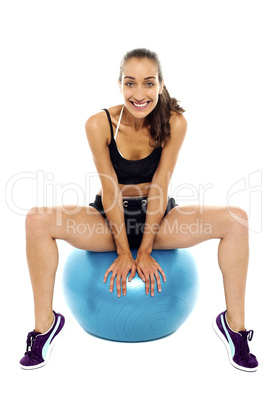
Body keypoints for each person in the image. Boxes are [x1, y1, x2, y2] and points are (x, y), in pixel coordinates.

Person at [19, 48, 258, 372]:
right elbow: (109, 190)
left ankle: (235, 328)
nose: (140, 93)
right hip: (108, 217)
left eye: (148, 83)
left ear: (160, 85)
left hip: (159, 219)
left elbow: (160, 185)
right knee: (37, 220)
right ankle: (44, 328)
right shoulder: (98, 124)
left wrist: (144, 250)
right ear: (120, 85)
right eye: (131, 83)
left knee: (236, 221)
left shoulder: (175, 122)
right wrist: (122, 249)